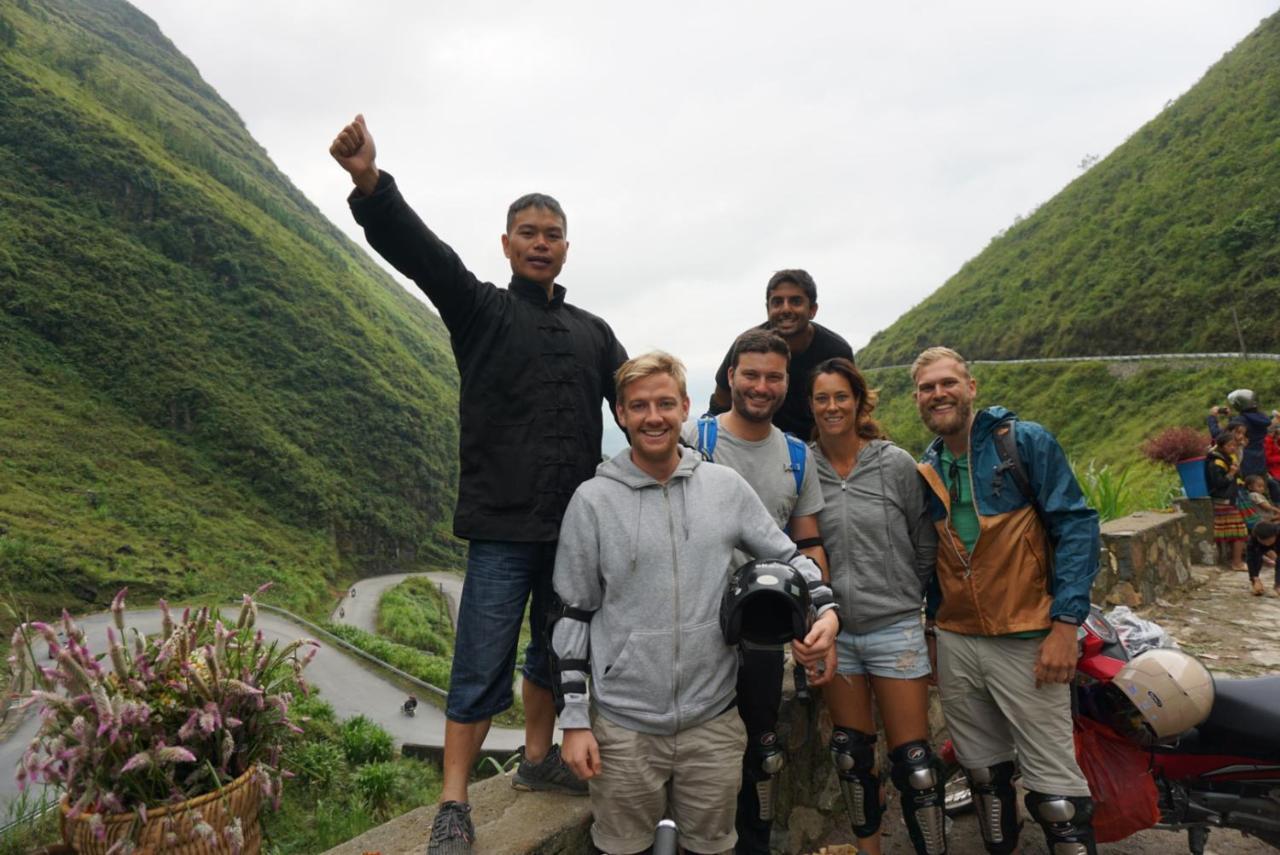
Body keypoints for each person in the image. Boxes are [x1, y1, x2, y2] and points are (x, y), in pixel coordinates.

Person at [331, 115, 628, 853]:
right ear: (506, 244)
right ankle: (454, 803)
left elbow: (640, 399)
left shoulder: (594, 331)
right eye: (526, 230)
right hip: (500, 528)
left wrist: (706, 430)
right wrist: (371, 183)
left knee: (555, 655)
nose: (538, 240)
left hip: (574, 533)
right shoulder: (480, 311)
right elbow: (422, 256)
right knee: (478, 663)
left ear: (566, 246)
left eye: (551, 231)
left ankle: (536, 759)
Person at [551, 351, 840, 855]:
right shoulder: (593, 501)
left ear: (685, 406)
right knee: (621, 849)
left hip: (712, 721)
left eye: (665, 403)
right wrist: (574, 721)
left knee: (712, 848)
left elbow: (789, 554)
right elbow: (573, 614)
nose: (653, 417)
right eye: (639, 406)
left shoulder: (725, 488)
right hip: (624, 728)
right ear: (619, 414)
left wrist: (828, 609)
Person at [911, 346, 1100, 855]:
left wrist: (1065, 625)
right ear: (917, 399)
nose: (939, 394)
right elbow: (935, 560)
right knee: (984, 776)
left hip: (1029, 633)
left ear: (971, 387)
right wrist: (933, 631)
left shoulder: (1024, 442)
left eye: (948, 383)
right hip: (956, 637)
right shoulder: (927, 467)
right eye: (928, 388)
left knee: (1055, 789)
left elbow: (1076, 525)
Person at [681, 329, 830, 854]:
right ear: (730, 378)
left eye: (773, 376)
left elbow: (806, 542)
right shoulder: (692, 441)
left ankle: (755, 844)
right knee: (696, 751)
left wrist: (819, 621)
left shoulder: (796, 455)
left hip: (765, 627)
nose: (761, 386)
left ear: (787, 383)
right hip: (696, 625)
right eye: (751, 374)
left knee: (763, 750)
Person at [807, 358, 946, 855]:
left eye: (841, 396)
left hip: (895, 628)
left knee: (914, 761)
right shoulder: (804, 466)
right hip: (835, 632)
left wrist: (912, 600)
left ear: (859, 401)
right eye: (821, 398)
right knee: (852, 755)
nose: (832, 407)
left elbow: (924, 540)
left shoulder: (894, 463)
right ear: (811, 405)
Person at [706, 270, 853, 438]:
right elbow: (721, 401)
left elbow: (851, 407)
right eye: (777, 302)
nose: (786, 309)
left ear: (812, 309)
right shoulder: (746, 347)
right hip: (757, 441)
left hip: (818, 447)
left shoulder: (836, 351)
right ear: (768, 308)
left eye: (795, 301)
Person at [1206, 431, 1249, 572]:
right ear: (1222, 446)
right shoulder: (1216, 462)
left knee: (1236, 531)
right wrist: (1231, 473)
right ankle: (1237, 563)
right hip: (1223, 500)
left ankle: (1235, 561)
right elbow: (1218, 483)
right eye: (1230, 445)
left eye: (1234, 445)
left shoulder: (1227, 458)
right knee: (1239, 532)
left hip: (1230, 498)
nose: (1233, 448)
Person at [1247, 521, 1280, 597]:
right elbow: (1250, 558)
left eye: (1269, 541)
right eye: (1264, 541)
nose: (1267, 543)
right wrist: (1255, 579)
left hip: (1277, 543)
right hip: (1260, 547)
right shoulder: (1254, 538)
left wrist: (1278, 585)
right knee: (1255, 556)